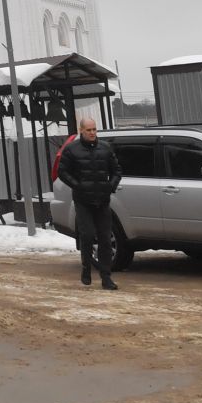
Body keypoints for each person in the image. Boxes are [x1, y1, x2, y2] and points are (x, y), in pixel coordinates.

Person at [55, 116, 122, 290]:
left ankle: (106, 277)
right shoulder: (71, 150)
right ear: (81, 131)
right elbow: (62, 172)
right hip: (83, 201)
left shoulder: (105, 148)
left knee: (105, 239)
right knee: (87, 235)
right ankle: (86, 267)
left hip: (103, 200)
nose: (92, 133)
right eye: (89, 130)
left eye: (94, 130)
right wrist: (78, 185)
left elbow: (117, 171)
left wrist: (111, 186)